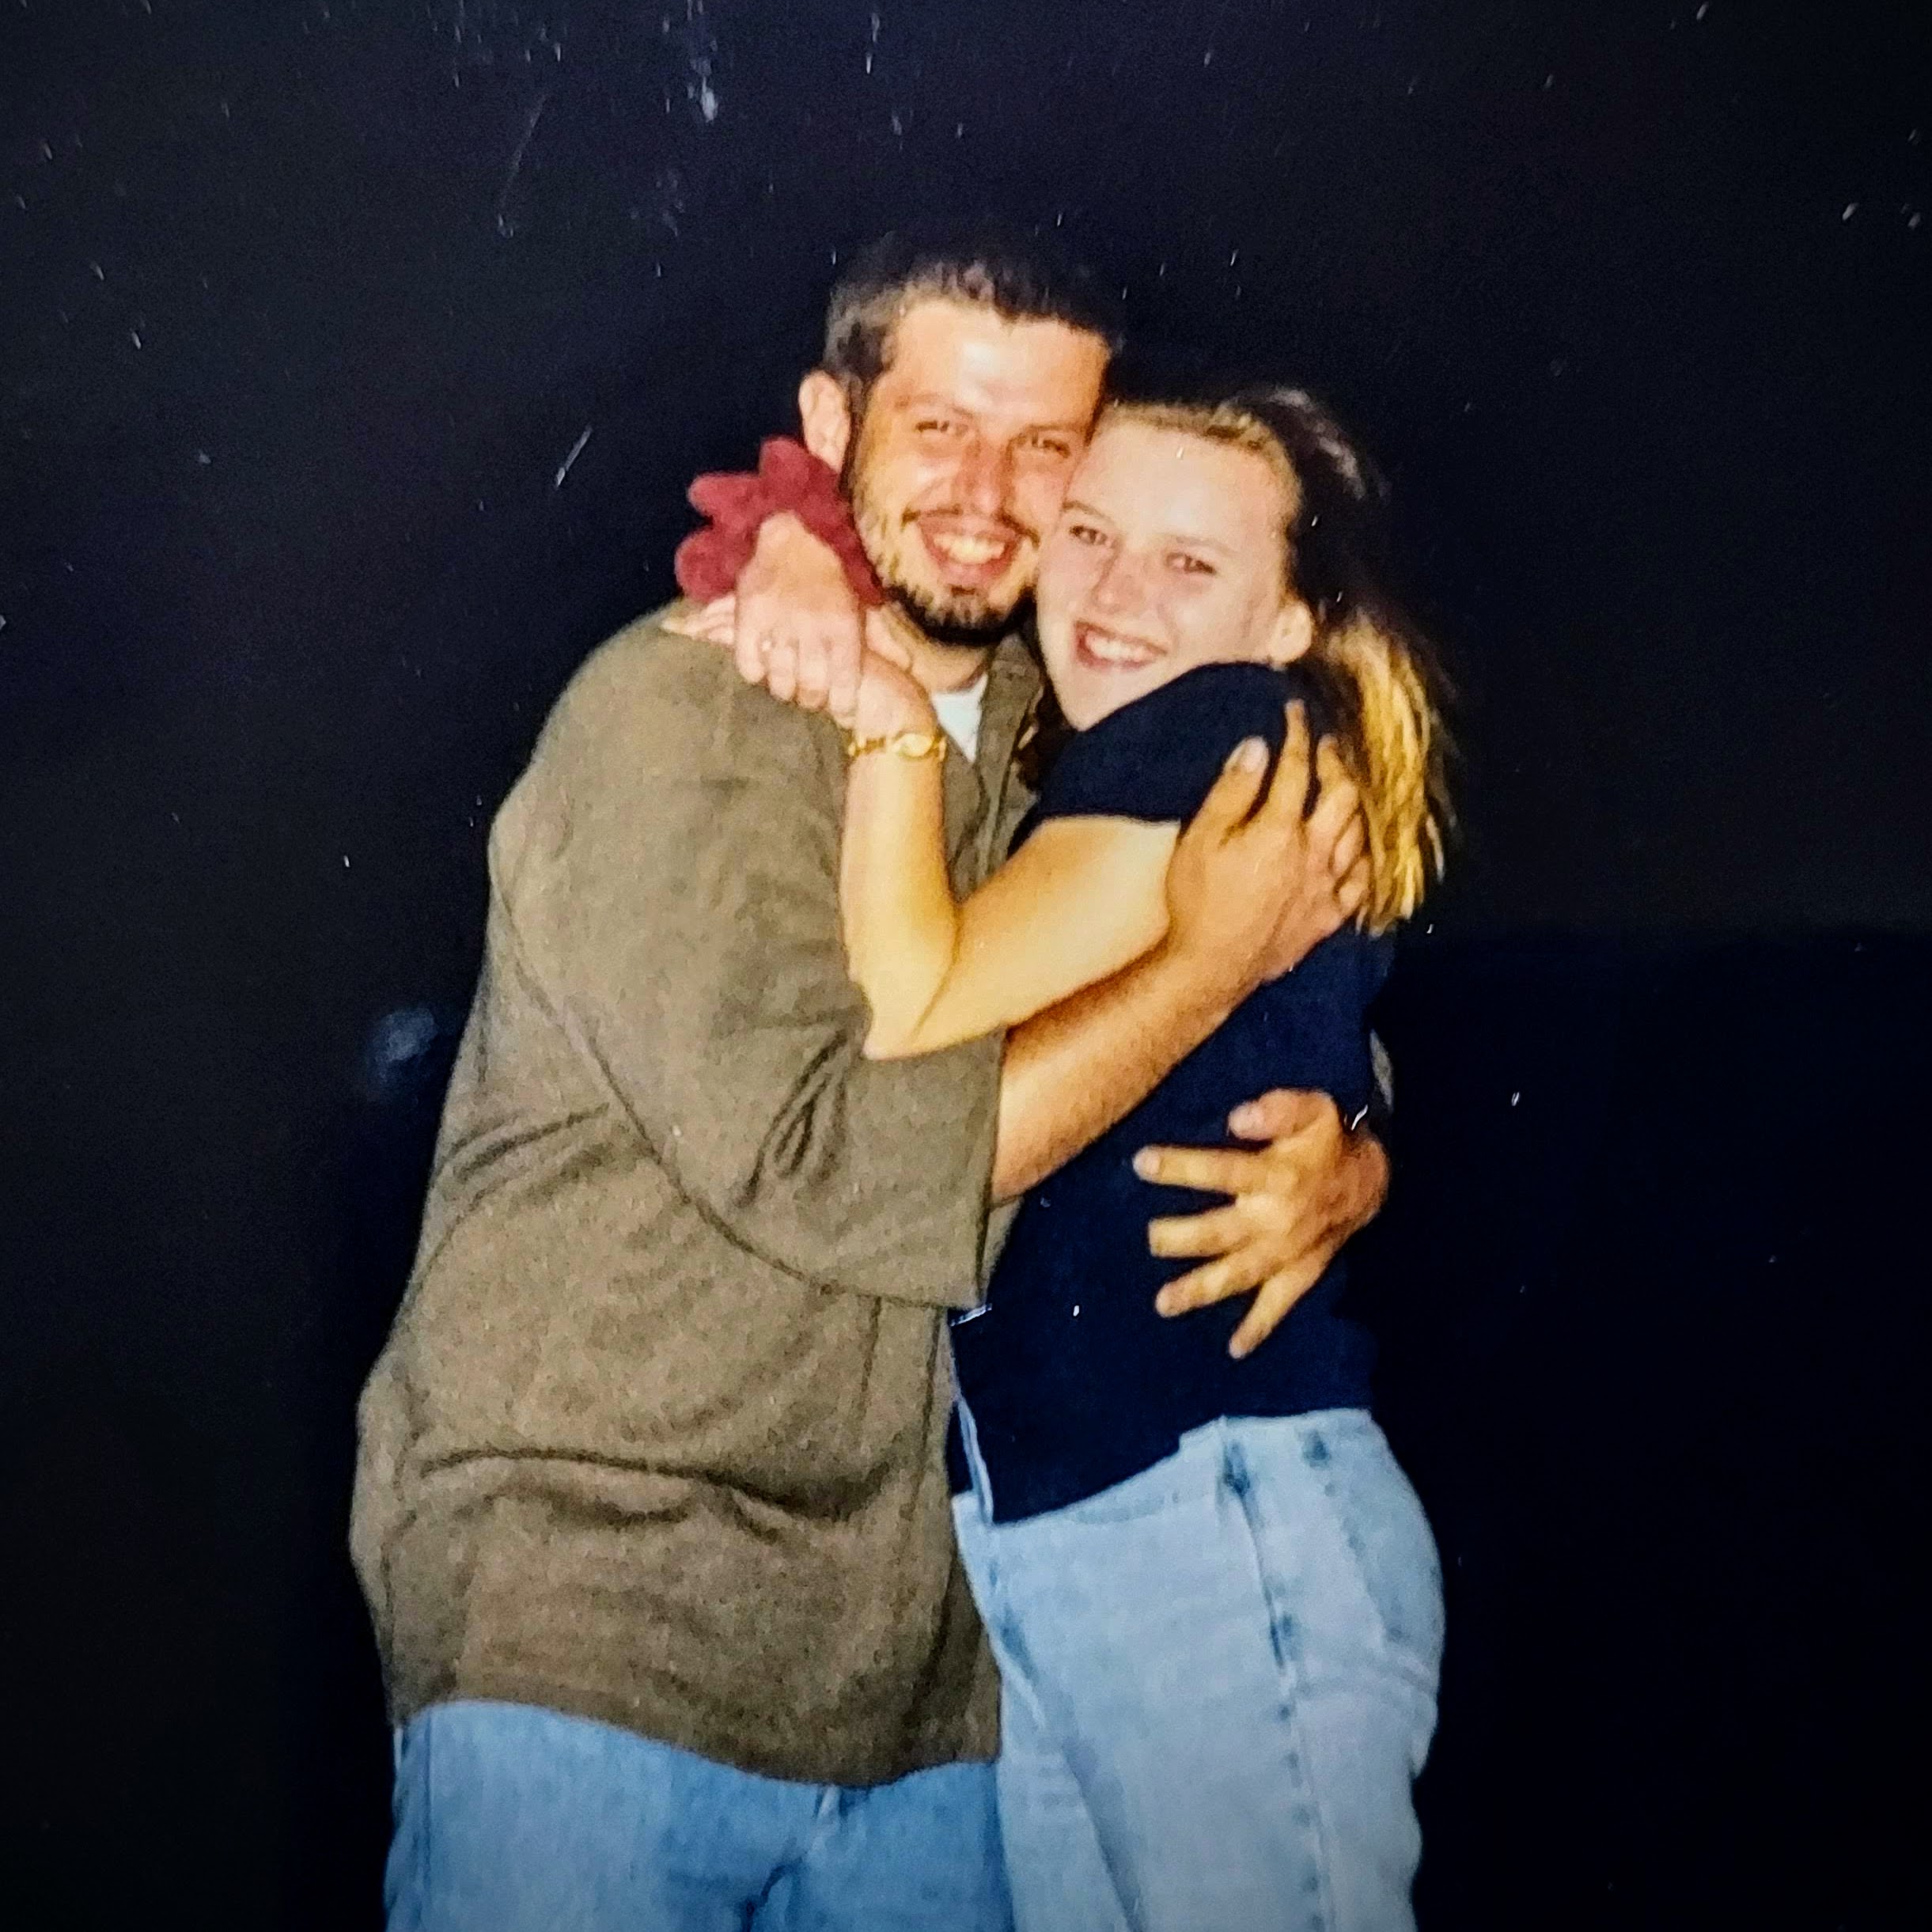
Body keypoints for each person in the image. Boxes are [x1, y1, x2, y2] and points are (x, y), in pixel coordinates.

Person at [350, 229, 1390, 1932]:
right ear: (830, 429)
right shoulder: (685, 715)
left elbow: (1284, 1000)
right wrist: (1204, 966)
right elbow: (824, 1154)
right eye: (939, 429)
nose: (986, 496)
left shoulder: (1072, 748)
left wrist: (1353, 1145)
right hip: (603, 1636)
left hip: (934, 1694)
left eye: (1044, 446)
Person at [733, 385, 1450, 1931]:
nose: (1120, 593)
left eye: (1191, 564)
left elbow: (912, 1017)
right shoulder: (1112, 769)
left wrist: (884, 723)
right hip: (1084, 1539)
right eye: (1090, 534)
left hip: (1204, 1519)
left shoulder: (1213, 731)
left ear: (1288, 623)